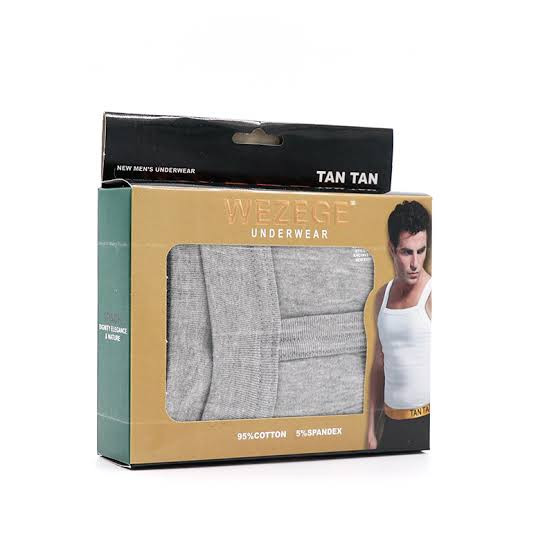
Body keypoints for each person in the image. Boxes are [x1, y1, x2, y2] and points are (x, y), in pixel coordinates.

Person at [367, 200, 431, 451]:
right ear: (392, 249)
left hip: (428, 420)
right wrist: (371, 430)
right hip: (390, 423)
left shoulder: (433, 294)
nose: (416, 263)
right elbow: (378, 364)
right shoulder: (381, 298)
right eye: (407, 252)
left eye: (421, 251)